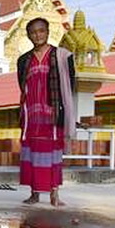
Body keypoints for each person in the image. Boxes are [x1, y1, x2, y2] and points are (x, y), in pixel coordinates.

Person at [16, 17, 76, 207]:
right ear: (28, 35)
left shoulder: (62, 56)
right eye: (33, 32)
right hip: (32, 116)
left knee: (52, 154)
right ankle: (34, 193)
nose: (37, 35)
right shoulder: (23, 60)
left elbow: (70, 84)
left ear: (48, 32)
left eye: (41, 31)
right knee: (32, 153)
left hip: (52, 114)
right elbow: (22, 85)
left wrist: (60, 108)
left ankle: (54, 194)